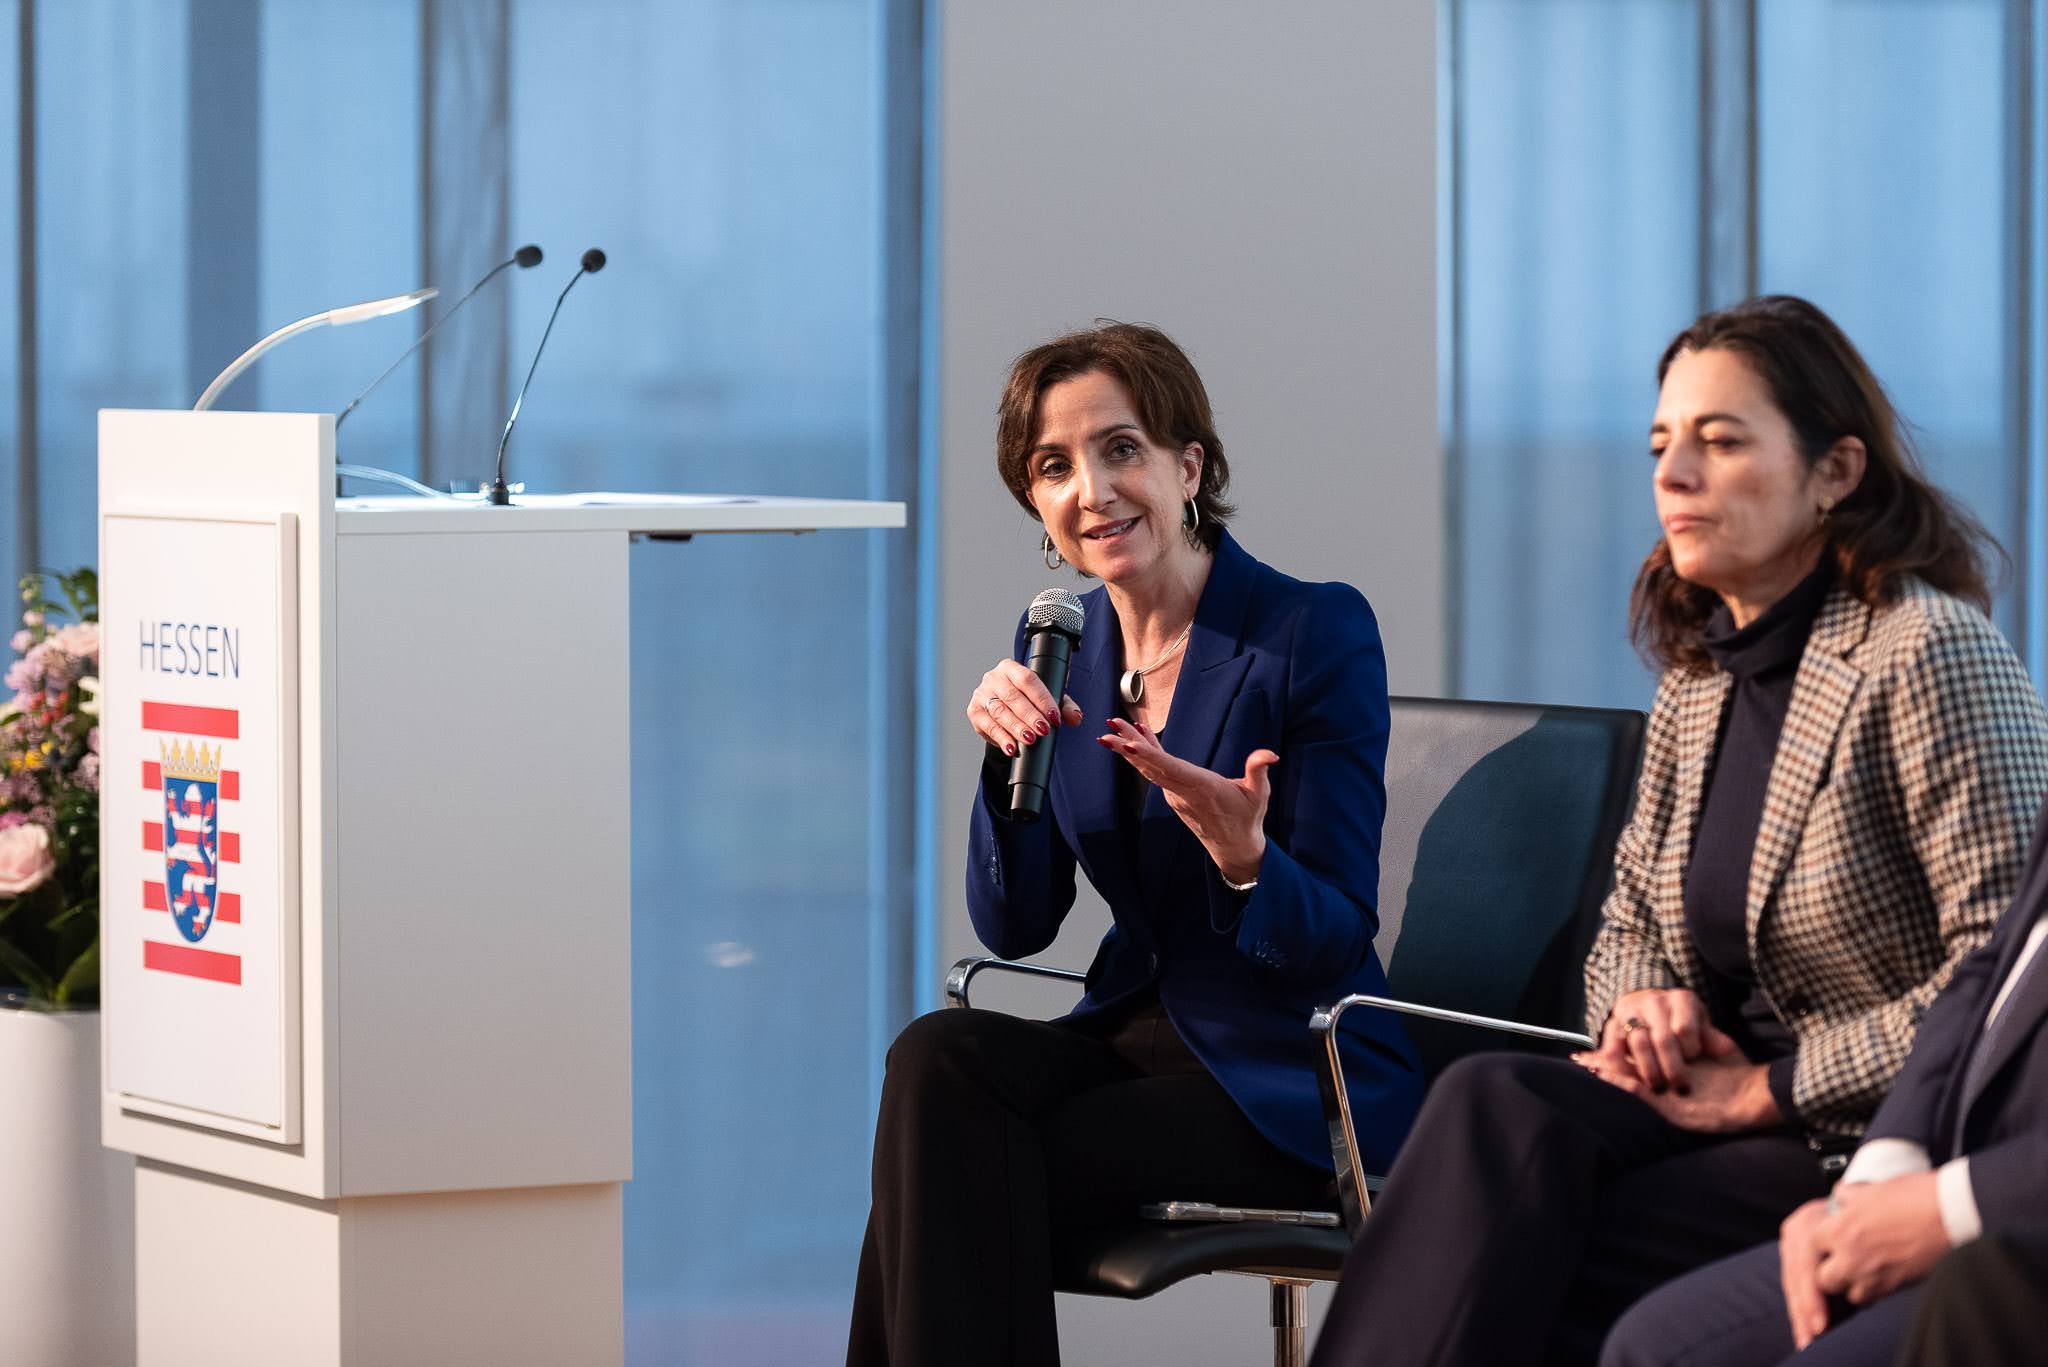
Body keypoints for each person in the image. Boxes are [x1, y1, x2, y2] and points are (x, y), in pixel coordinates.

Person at [1307, 295, 2048, 1367]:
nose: (1671, 473)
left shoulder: (1927, 654)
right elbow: (1630, 920)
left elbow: (1993, 984)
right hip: (1697, 1101)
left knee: (1528, 1245)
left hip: (1854, 1133)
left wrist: (1768, 1086)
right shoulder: (1699, 675)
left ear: (1834, 471)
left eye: (1719, 439)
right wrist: (1640, 1005)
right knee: (1490, 1099)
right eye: (1660, 442)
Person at [846, 322, 1423, 1367]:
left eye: (1121, 450)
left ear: (1186, 465)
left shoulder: (1306, 631)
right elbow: (1016, 926)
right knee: (933, 1058)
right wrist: (1001, 762)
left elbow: (1335, 931)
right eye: (1052, 466)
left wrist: (1247, 861)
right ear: (1034, 505)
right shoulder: (1067, 659)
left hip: (1287, 1072)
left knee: (946, 1166)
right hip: (1131, 1041)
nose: (1091, 489)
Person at [1600, 801, 2048, 1367]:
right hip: (1917, 1160)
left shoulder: (1951, 709)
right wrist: (1881, 1173)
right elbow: (1989, 964)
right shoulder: (1690, 707)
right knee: (1501, 1100)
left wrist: (1947, 1205)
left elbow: (1970, 933)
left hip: (1949, 1187)